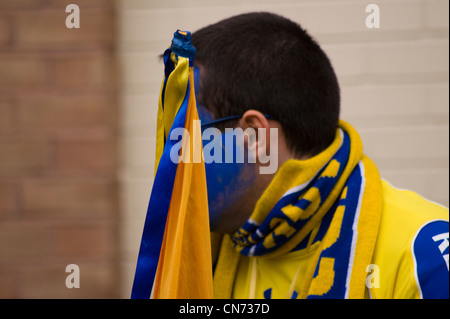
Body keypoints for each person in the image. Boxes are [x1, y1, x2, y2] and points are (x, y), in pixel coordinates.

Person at [189, 12, 449, 299]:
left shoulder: (424, 255)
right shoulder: (200, 254)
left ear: (254, 137)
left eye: (187, 134)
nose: (172, 160)